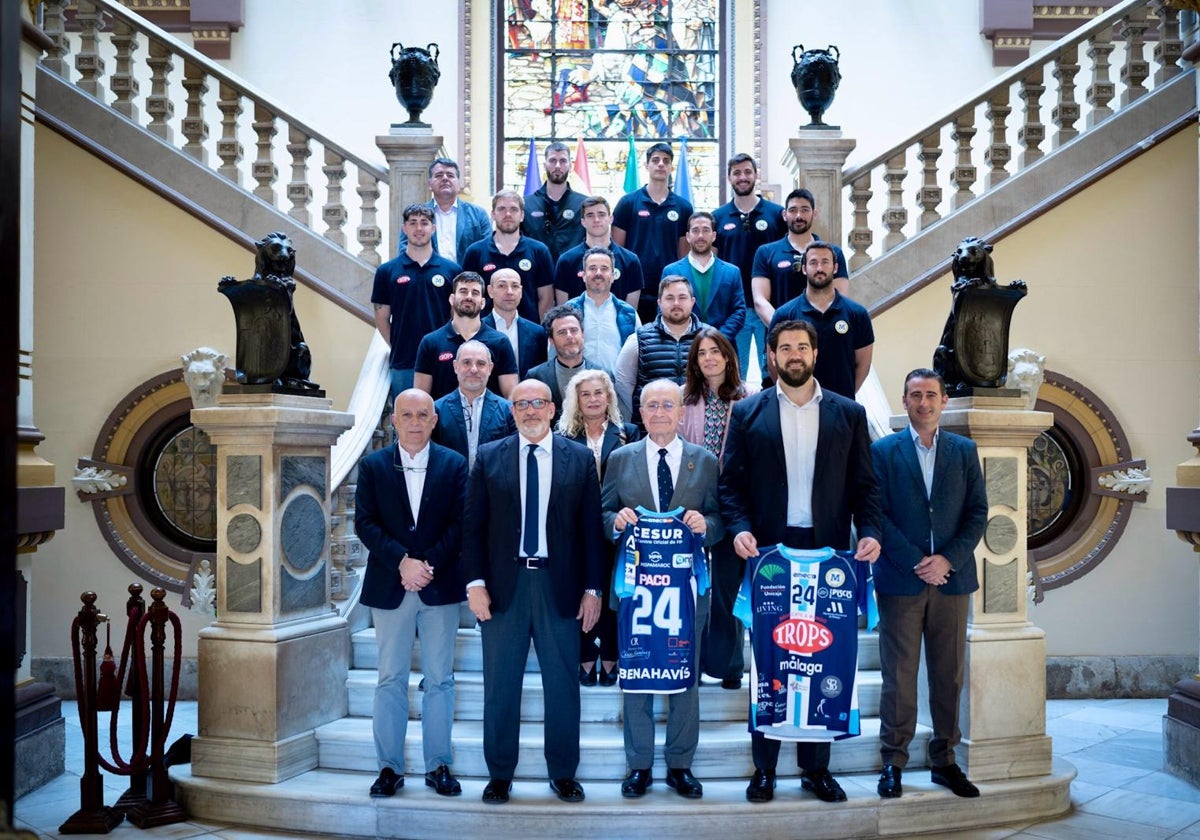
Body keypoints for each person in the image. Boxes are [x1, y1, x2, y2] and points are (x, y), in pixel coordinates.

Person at [719, 318, 882, 804]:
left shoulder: (848, 414)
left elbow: (866, 486)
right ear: (771, 356)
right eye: (784, 347)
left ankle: (816, 769)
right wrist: (741, 527)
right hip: (769, 552)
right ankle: (764, 768)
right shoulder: (747, 412)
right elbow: (730, 486)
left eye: (802, 347)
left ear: (815, 354)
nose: (794, 354)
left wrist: (869, 532)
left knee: (823, 653)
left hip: (830, 549)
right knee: (770, 659)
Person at [462, 379, 606, 804]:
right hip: (503, 588)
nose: (529, 410)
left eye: (536, 403)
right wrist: (474, 584)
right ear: (512, 411)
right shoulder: (489, 458)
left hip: (558, 586)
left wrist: (593, 589)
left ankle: (563, 773)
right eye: (521, 404)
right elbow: (473, 529)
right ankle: (500, 774)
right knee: (500, 684)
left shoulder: (578, 459)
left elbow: (590, 534)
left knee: (562, 683)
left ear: (551, 408)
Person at [601, 379, 723, 800]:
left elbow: (719, 518)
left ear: (678, 410)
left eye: (666, 405)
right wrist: (615, 523)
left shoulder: (705, 461)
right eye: (650, 405)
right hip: (636, 590)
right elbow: (603, 512)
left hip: (688, 593)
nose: (658, 413)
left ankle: (680, 765)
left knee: (684, 677)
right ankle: (639, 766)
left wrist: (706, 527)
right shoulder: (619, 459)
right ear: (641, 410)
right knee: (636, 675)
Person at [871, 368, 989, 800]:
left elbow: (978, 512)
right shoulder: (882, 451)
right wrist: (917, 561)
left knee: (948, 675)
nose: (924, 403)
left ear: (943, 401)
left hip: (951, 582)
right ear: (904, 401)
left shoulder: (964, 451)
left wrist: (947, 561)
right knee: (898, 678)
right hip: (901, 580)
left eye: (931, 395)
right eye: (916, 395)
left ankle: (944, 761)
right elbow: (875, 514)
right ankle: (893, 762)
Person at [356, 389, 468, 800]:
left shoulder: (455, 465)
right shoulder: (372, 466)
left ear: (434, 420)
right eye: (408, 415)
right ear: (394, 420)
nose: (416, 421)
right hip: (390, 585)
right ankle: (389, 768)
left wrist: (425, 566)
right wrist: (401, 562)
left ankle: (439, 763)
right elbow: (365, 524)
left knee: (440, 679)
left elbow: (460, 523)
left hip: (439, 586)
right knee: (390, 679)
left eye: (424, 414)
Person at [679, 327, 758, 689]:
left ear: (728, 356)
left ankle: (729, 665)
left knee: (728, 586)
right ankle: (692, 661)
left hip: (736, 501)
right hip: (695, 503)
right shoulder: (684, 398)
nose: (709, 358)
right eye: (701, 353)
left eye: (715, 351)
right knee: (694, 588)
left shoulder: (750, 398)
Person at [556, 370, 639, 687]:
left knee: (614, 593)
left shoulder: (628, 433)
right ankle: (586, 655)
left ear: (609, 397)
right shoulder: (562, 436)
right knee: (582, 591)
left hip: (617, 527)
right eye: (585, 394)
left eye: (598, 393)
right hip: (575, 529)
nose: (592, 399)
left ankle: (612, 656)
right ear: (576, 400)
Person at [710, 153, 786, 377]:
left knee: (772, 370)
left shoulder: (776, 214)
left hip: (770, 308)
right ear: (729, 178)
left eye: (747, 172)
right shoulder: (718, 217)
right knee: (734, 373)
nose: (742, 177)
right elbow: (713, 265)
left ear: (755, 176)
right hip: (735, 309)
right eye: (737, 173)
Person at [372, 204, 460, 398]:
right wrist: (398, 345)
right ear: (404, 228)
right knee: (406, 422)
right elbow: (381, 318)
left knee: (443, 420)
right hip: (404, 361)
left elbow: (456, 318)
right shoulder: (387, 271)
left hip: (444, 358)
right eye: (413, 223)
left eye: (424, 223)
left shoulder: (452, 271)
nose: (419, 229)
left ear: (433, 228)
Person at [767, 241, 874, 399]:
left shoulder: (857, 314)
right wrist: (793, 395)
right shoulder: (784, 315)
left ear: (835, 268)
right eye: (813, 262)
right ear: (804, 269)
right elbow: (774, 363)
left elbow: (863, 365)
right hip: (798, 405)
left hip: (842, 408)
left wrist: (842, 399)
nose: (819, 268)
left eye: (825, 262)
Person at [612, 142, 693, 323]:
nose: (660, 164)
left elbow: (684, 255)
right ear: (646, 165)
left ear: (671, 167)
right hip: (634, 290)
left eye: (666, 161)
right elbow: (616, 251)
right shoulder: (628, 203)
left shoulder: (684, 207)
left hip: (669, 291)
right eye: (655, 160)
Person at [749, 188, 849, 328]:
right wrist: (784, 331)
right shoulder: (765, 252)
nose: (798, 216)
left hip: (823, 335)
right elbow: (760, 300)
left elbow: (841, 298)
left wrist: (817, 330)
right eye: (793, 210)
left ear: (814, 214)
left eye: (805, 210)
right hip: (781, 338)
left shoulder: (834, 253)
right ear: (784, 215)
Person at [414, 271, 518, 401]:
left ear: (483, 302)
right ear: (452, 299)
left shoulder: (500, 342)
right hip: (444, 420)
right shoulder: (430, 342)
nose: (469, 297)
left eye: (475, 293)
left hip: (490, 421)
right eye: (463, 291)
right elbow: (420, 398)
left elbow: (511, 396)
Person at [614, 276, 705, 424]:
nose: (676, 303)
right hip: (653, 427)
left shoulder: (709, 338)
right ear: (659, 302)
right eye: (669, 298)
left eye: (682, 297)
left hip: (698, 428)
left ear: (692, 302)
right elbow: (623, 382)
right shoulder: (639, 339)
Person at [461, 190, 555, 322]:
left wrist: (540, 333)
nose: (508, 214)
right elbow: (467, 297)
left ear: (522, 215)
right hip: (485, 333)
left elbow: (546, 298)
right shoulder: (475, 252)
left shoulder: (539, 251)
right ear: (493, 214)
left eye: (514, 209)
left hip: (528, 333)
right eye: (501, 209)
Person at [660, 211, 746, 343]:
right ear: (688, 236)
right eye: (695, 230)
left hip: (723, 347)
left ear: (714, 236)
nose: (700, 236)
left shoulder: (732, 272)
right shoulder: (671, 271)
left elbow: (739, 311)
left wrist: (718, 339)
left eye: (706, 230)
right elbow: (664, 310)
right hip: (683, 347)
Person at [432, 340, 517, 469]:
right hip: (450, 486)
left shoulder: (508, 410)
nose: (473, 369)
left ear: (490, 368)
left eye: (481, 364)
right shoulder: (437, 409)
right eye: (466, 363)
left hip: (493, 486)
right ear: (455, 366)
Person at [554, 195, 644, 307]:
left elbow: (630, 312)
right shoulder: (566, 260)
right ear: (583, 222)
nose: (596, 220)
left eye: (601, 215)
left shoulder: (630, 261)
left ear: (610, 219)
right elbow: (563, 311)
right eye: (590, 215)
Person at [398, 157, 491, 263]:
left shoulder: (478, 214)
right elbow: (404, 250)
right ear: (429, 184)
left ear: (459, 183)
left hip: (467, 277)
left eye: (450, 175)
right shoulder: (414, 216)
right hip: (426, 277)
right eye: (439, 175)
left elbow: (487, 251)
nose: (445, 178)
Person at [565, 247, 640, 377]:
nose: (598, 273)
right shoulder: (567, 311)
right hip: (576, 387)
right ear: (583, 275)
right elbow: (554, 353)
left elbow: (639, 355)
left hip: (616, 390)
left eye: (604, 269)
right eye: (592, 268)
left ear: (613, 276)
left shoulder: (629, 314)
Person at [527, 305, 600, 424]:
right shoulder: (536, 376)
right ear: (551, 340)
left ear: (583, 334)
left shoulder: (602, 375)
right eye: (562, 332)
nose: (569, 336)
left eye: (574, 330)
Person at [521, 141, 588, 263]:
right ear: (544, 165)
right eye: (552, 160)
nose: (557, 166)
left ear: (570, 165)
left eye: (563, 161)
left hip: (574, 273)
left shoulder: (584, 204)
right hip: (536, 275)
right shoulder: (526, 205)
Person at [482, 267, 547, 379]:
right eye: (502, 286)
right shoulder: (479, 329)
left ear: (521, 292)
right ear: (490, 291)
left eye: (515, 286)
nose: (509, 292)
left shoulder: (537, 332)